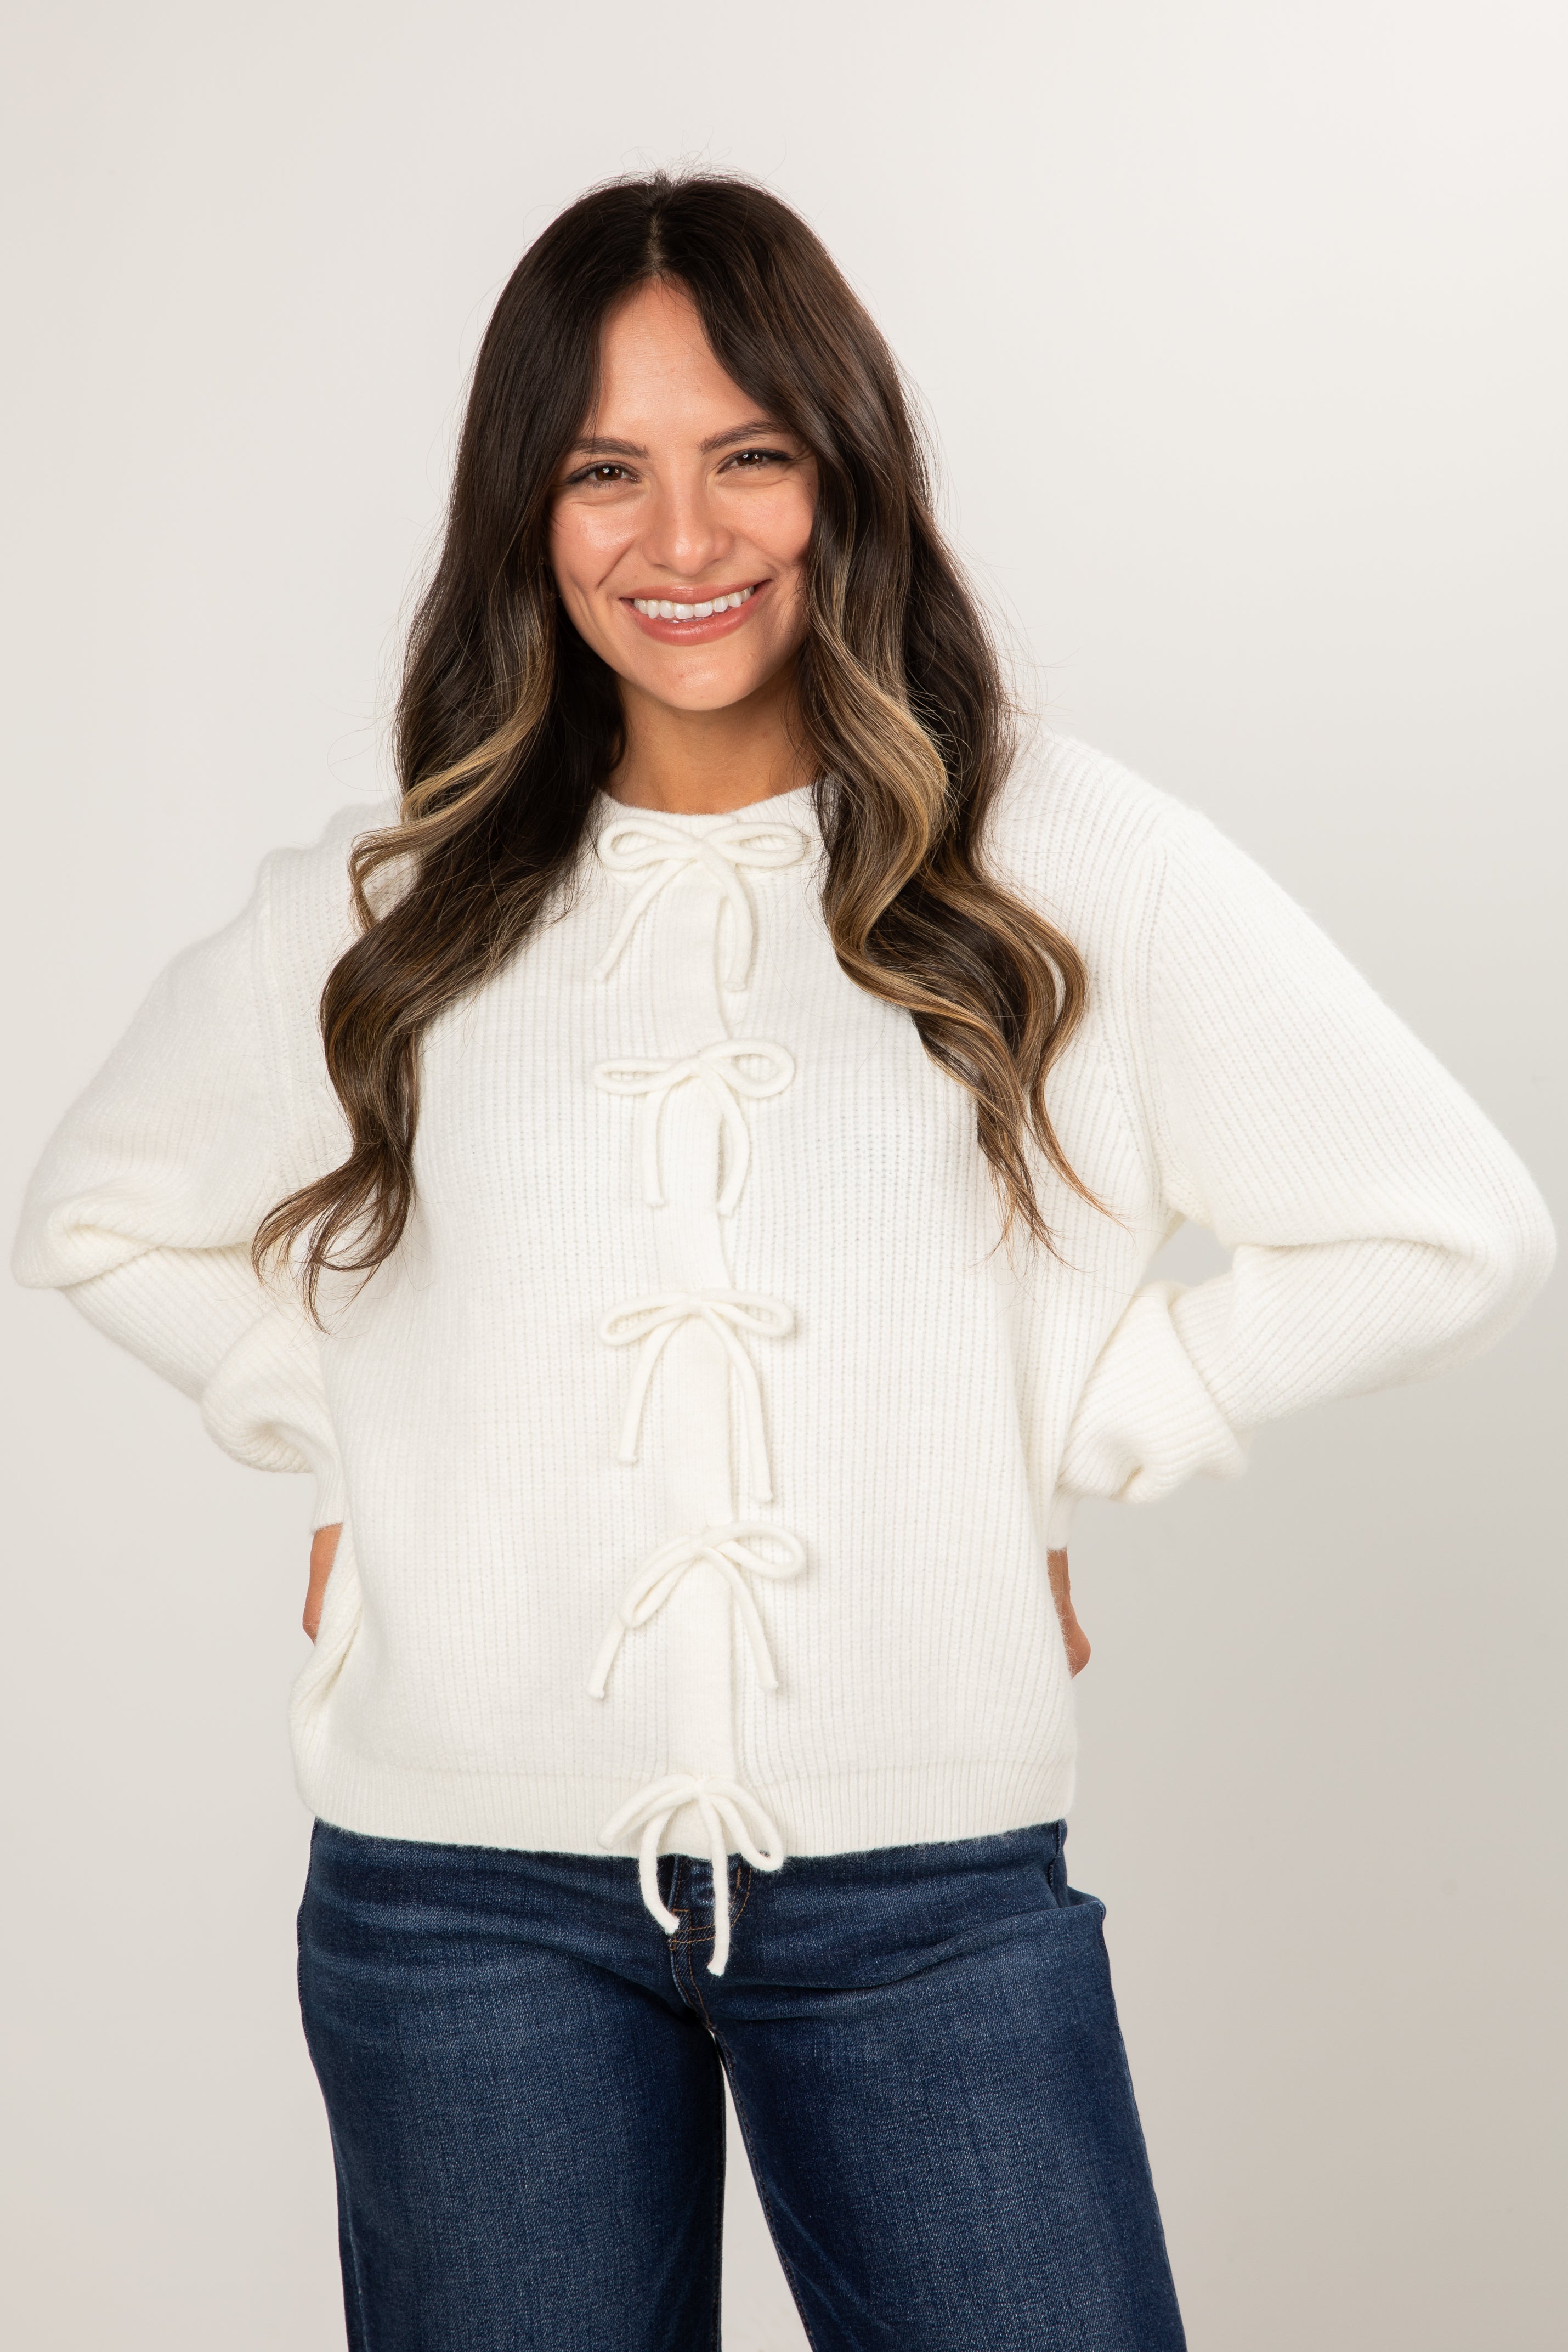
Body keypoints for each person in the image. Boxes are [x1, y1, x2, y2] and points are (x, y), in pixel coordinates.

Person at [14, 172, 1554, 2352]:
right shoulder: (381, 907)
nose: (682, 536)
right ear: (523, 517)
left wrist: (1061, 1432)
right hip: (459, 1904)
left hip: (925, 1889)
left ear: (845, 473)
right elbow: (95, 1210)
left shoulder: (1055, 860)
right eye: (602, 471)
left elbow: (1451, 1224)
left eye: (750, 455)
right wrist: (369, 1444)